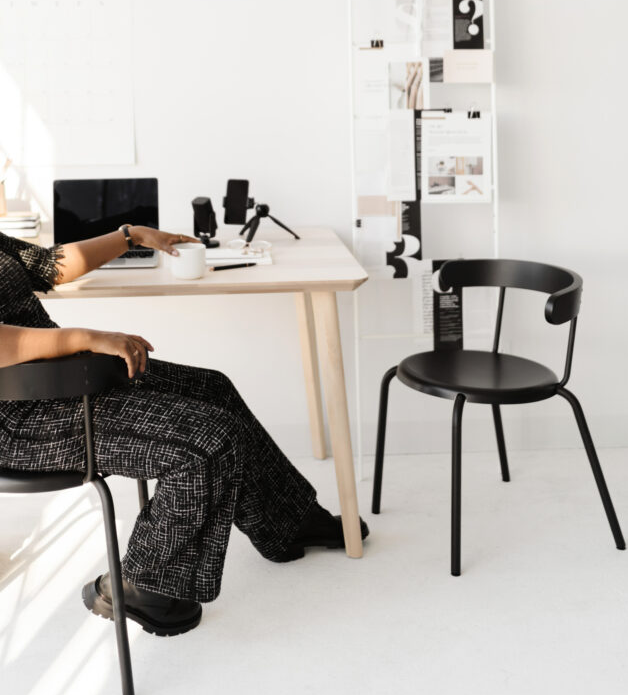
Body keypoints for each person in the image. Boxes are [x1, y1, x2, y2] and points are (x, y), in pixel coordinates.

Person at [0, 225, 368, 636]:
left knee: (213, 390)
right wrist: (88, 337)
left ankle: (285, 521)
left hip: (61, 378)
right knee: (209, 440)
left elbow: (50, 265)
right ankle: (142, 583)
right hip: (15, 418)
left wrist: (131, 236)